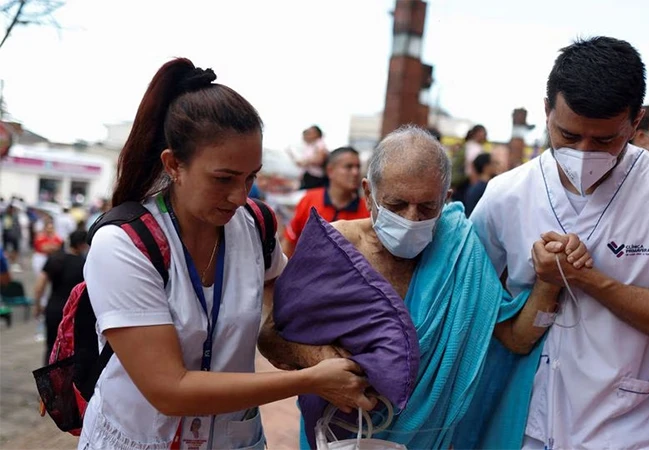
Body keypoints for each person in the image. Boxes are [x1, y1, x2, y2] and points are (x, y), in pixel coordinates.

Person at [77, 58, 372, 450]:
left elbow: (288, 306)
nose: (239, 195)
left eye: (251, 177)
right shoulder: (125, 245)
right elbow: (170, 389)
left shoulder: (255, 227)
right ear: (174, 165)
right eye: (224, 179)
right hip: (141, 438)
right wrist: (311, 380)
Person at [259, 126, 592, 450]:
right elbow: (271, 337)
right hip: (339, 435)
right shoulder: (335, 247)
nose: (411, 218)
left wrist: (549, 281)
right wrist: (327, 368)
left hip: (427, 438)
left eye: (427, 207)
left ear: (446, 199)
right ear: (368, 192)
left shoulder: (460, 251)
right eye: (396, 205)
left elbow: (517, 339)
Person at [471, 36, 649, 450]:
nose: (583, 152)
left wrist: (588, 279)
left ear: (635, 123)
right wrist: (539, 292)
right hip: (526, 423)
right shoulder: (506, 194)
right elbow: (471, 300)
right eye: (568, 135)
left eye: (605, 140)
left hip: (630, 427)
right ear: (547, 111)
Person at [282, 147, 369, 257]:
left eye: (358, 167)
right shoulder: (309, 200)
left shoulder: (367, 210)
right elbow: (290, 241)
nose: (355, 172)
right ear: (330, 171)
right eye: (349, 167)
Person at [33, 230, 89, 363]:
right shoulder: (83, 264)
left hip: (53, 308)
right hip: (73, 312)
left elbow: (40, 285)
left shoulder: (55, 258)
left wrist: (38, 304)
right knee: (71, 350)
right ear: (81, 245)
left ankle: (48, 380)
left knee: (50, 346)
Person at [292, 125, 329, 190]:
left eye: (310, 133)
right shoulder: (311, 145)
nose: (308, 134)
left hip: (315, 178)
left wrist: (305, 162)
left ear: (317, 134)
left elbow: (319, 160)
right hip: (309, 176)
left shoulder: (319, 144)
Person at [463, 153, 495, 217]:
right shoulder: (486, 188)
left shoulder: (474, 187)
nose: (495, 166)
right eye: (493, 163)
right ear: (486, 167)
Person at [1, 204, 22, 272]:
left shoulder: (15, 216)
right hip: (8, 235)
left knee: (15, 250)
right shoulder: (6, 216)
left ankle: (12, 262)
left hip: (14, 236)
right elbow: (6, 227)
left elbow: (17, 226)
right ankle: (8, 262)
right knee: (6, 250)